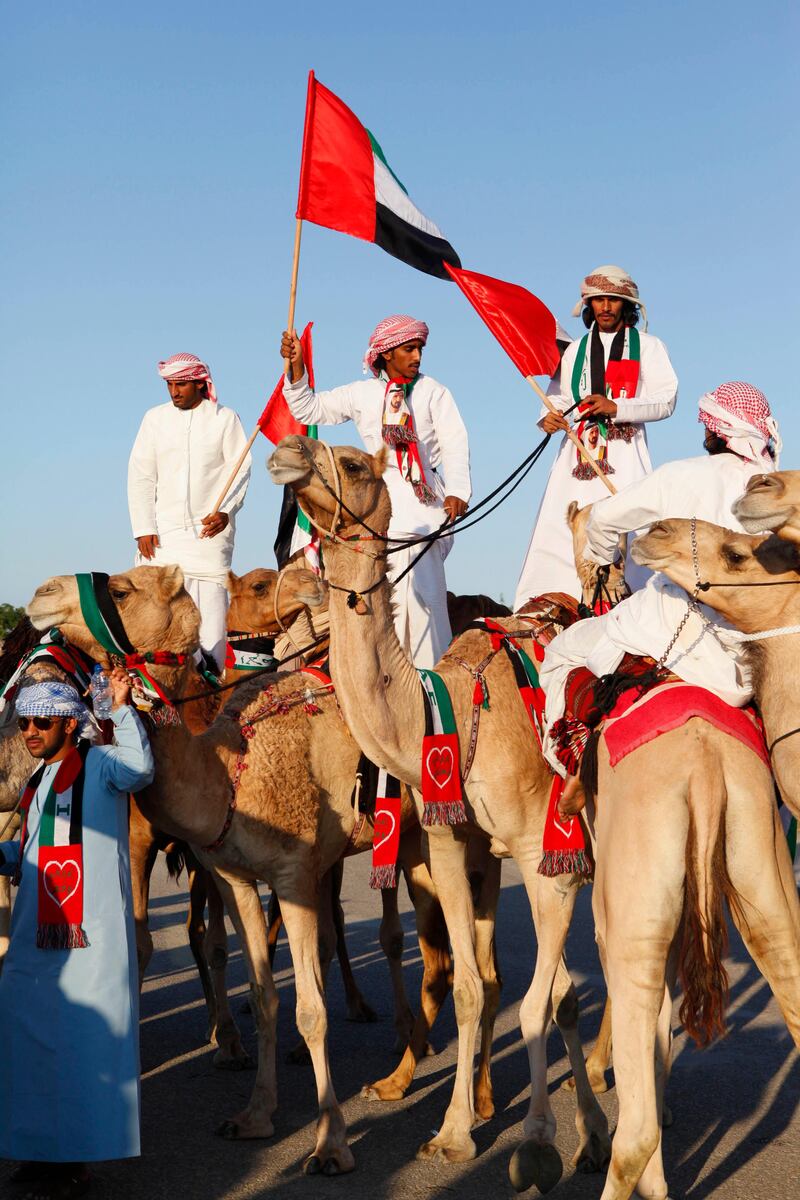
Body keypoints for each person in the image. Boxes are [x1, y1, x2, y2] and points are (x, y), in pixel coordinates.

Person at [539, 382, 780, 816]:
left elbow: (605, 519)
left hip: (670, 634)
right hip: (746, 661)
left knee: (561, 650)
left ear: (713, 432)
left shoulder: (681, 475)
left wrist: (599, 555)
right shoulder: (772, 489)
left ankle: (582, 765)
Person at [0, 674, 154, 1198]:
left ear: (69, 722)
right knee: (30, 1046)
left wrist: (122, 706)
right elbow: (31, 854)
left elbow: (141, 767)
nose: (30, 732)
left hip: (90, 942)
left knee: (80, 1051)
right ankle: (41, 1154)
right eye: (24, 723)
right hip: (33, 943)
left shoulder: (102, 764)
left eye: (41, 721)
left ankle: (74, 1163)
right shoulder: (39, 781)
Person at [280, 315, 471, 667]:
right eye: (408, 349)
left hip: (426, 504)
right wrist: (296, 369)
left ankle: (431, 679)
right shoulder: (361, 393)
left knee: (423, 599)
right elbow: (309, 408)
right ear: (385, 354)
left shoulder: (433, 392)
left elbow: (455, 442)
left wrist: (458, 489)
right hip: (378, 507)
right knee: (380, 598)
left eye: (419, 349)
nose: (416, 357)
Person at [514, 265, 678, 608]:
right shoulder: (575, 351)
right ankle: (556, 606)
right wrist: (546, 417)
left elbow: (666, 400)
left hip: (625, 455)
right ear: (588, 305)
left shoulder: (648, 347)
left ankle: (639, 611)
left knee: (633, 530)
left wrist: (616, 406)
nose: (605, 307)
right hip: (576, 457)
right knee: (561, 527)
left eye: (612, 300)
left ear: (626, 304)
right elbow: (557, 396)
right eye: (598, 300)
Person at [127, 352, 251, 671]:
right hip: (162, 538)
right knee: (155, 623)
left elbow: (239, 469)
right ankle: (155, 702)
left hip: (209, 537)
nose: (174, 392)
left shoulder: (225, 419)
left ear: (199, 383)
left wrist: (225, 511)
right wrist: (143, 526)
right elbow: (141, 474)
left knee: (210, 630)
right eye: (170, 384)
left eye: (181, 384)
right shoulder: (154, 419)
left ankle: (208, 699)